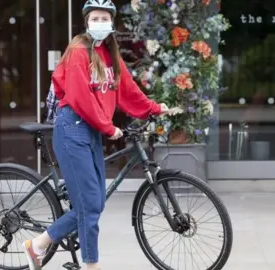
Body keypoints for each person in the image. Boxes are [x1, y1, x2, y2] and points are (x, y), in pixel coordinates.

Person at [23, 0, 169, 269]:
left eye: (104, 18)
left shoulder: (109, 54)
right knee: (89, 207)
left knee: (94, 204)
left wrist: (154, 108)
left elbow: (127, 88)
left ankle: (38, 244)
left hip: (90, 131)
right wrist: (107, 126)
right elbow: (80, 97)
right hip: (72, 129)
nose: (100, 23)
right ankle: (91, 265)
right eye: (95, 18)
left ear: (111, 23)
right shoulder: (78, 51)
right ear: (86, 22)